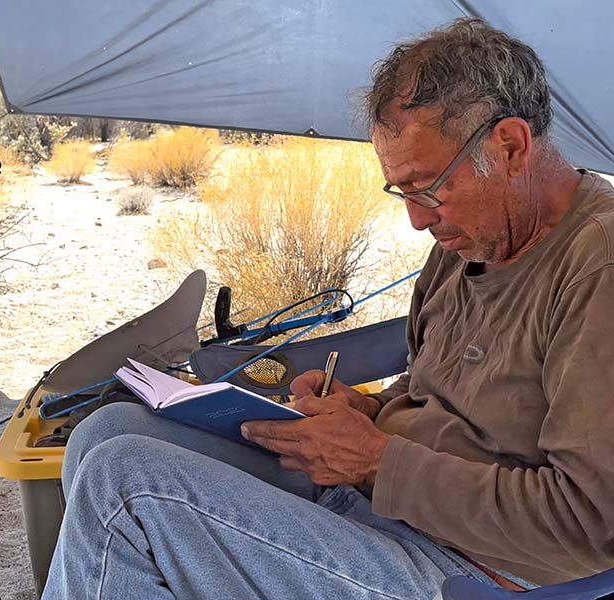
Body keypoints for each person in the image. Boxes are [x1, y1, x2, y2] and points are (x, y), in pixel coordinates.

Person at [42, 18, 614, 599]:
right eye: (402, 192)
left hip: (477, 569)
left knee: (126, 487)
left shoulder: (598, 267)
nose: (417, 218)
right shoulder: (471, 237)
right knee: (105, 432)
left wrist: (377, 462)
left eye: (426, 186)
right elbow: (427, 393)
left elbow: (589, 522)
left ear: (510, 146)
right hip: (391, 507)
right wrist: (362, 415)